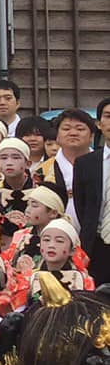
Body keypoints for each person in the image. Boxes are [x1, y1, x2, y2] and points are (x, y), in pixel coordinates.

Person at [69, 96, 110, 284]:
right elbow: (82, 206)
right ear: (99, 124)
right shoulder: (85, 163)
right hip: (96, 246)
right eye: (108, 116)